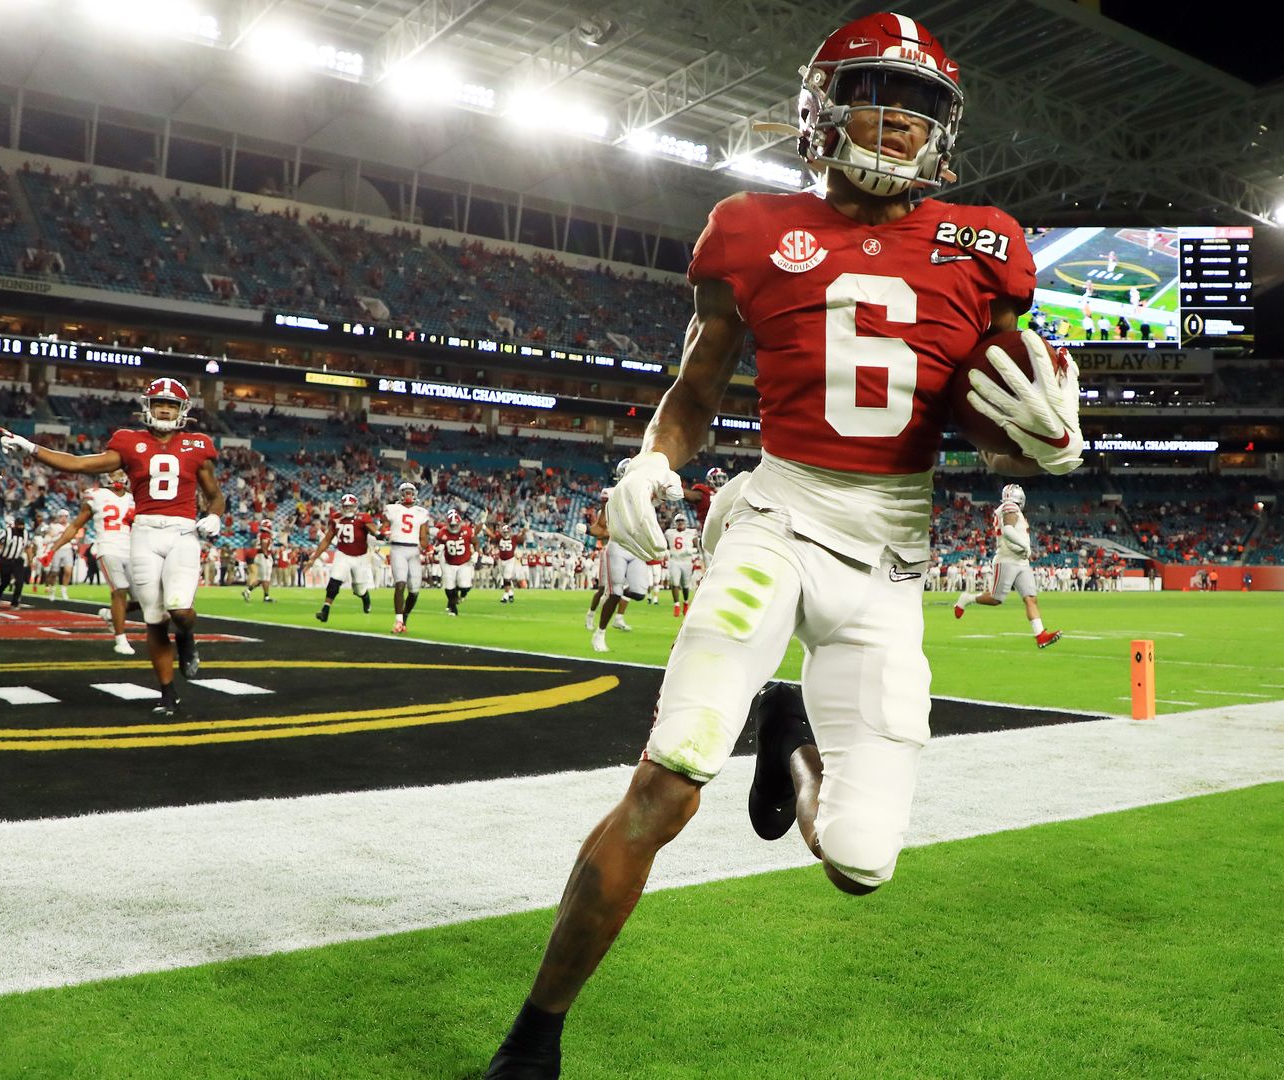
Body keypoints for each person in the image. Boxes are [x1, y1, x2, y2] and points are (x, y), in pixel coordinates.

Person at [480, 14, 1084, 1077]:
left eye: (921, 105)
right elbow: (697, 388)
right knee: (667, 782)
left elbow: (1002, 424)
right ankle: (537, 1032)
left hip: (892, 560)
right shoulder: (751, 228)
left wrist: (1046, 444)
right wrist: (653, 463)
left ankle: (787, 736)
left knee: (859, 863)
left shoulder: (986, 244)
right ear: (821, 107)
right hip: (778, 519)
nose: (897, 122)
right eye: (875, 95)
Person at [0, 377, 224, 717]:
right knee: (155, 619)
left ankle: (187, 638)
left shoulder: (197, 444)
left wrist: (215, 516)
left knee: (180, 610)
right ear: (147, 407)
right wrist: (31, 448)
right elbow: (78, 463)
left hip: (182, 532)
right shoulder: (129, 443)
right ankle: (167, 694)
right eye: (159, 403)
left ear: (182, 410)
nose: (164, 409)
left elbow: (215, 495)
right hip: (144, 533)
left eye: (171, 404)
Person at [951, 483, 1061, 647]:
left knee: (1031, 598)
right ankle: (967, 598)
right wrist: (1025, 546)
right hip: (1007, 559)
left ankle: (1040, 635)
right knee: (996, 599)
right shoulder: (1010, 507)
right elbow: (1008, 531)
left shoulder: (1010, 508)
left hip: (1021, 561)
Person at [44, 470, 138, 654]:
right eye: (114, 473)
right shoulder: (96, 496)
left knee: (145, 599)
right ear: (105, 476)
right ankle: (121, 639)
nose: (118, 477)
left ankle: (111, 615)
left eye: (120, 473)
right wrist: (54, 548)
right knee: (119, 590)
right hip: (108, 548)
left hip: (131, 551)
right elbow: (75, 525)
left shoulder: (134, 497)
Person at [587, 459, 647, 653]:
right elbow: (601, 525)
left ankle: (616, 604)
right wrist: (589, 530)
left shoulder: (644, 493)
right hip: (618, 546)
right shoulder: (611, 493)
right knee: (614, 593)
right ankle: (600, 633)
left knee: (639, 593)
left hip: (636, 548)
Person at [303, 493, 381, 622]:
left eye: (350, 507)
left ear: (355, 506)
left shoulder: (363, 517)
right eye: (346, 507)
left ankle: (365, 597)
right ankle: (325, 610)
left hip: (360, 557)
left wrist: (378, 533)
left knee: (359, 589)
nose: (348, 509)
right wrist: (313, 558)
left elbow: (372, 529)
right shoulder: (336, 518)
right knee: (334, 581)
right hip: (343, 553)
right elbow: (327, 540)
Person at [382, 481, 431, 634]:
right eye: (405, 492)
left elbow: (423, 536)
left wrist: (427, 547)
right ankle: (398, 621)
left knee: (415, 591)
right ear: (400, 494)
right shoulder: (392, 509)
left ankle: (404, 617)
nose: (408, 495)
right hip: (398, 549)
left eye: (410, 492)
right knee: (400, 584)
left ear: (414, 494)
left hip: (414, 551)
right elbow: (383, 527)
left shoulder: (421, 512)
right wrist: (384, 532)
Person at [434, 509, 477, 616]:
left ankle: (461, 595)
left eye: (455, 524)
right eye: (452, 525)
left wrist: (476, 553)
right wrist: (438, 548)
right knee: (449, 588)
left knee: (465, 587)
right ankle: (453, 608)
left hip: (464, 562)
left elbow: (476, 542)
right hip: (449, 562)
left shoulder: (467, 531)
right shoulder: (442, 533)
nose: (454, 527)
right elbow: (438, 543)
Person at [662, 511, 700, 617]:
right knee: (674, 583)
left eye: (682, 521)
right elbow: (665, 545)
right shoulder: (669, 532)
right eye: (678, 521)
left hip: (687, 561)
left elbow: (697, 547)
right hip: (674, 560)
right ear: (675, 523)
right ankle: (676, 605)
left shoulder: (691, 532)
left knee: (685, 585)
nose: (680, 523)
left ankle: (686, 602)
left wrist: (691, 551)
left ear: (686, 522)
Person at [0, 518, 32, 608]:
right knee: (5, 582)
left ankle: (15, 602)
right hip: (6, 559)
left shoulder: (26, 534)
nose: (21, 527)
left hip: (18, 560)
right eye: (19, 525)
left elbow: (28, 547)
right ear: (15, 525)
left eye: (22, 525)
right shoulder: (6, 532)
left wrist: (30, 561)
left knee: (20, 582)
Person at [242, 518, 276, 603]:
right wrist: (266, 554)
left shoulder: (262, 534)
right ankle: (266, 597)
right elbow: (264, 545)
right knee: (265, 578)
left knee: (262, 578)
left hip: (260, 555)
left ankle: (248, 591)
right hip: (262, 556)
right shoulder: (265, 534)